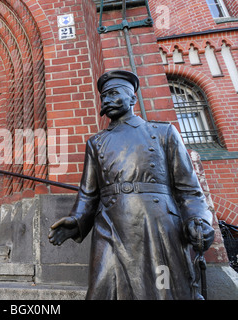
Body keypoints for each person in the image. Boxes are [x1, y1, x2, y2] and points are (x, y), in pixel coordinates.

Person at [48, 70, 215, 300]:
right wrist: (77, 221)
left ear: (133, 98)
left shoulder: (163, 133)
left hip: (157, 227)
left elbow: (189, 190)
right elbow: (88, 193)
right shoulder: (96, 143)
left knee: (162, 287)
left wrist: (198, 220)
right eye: (104, 96)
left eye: (114, 93)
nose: (107, 100)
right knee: (102, 290)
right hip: (110, 226)